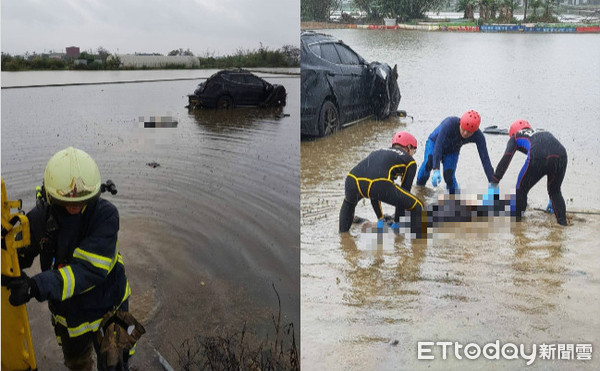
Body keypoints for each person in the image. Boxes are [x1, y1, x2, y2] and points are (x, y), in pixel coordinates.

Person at [6, 147, 136, 371]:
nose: (74, 203)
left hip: (110, 306)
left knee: (116, 365)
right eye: (66, 197)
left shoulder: (106, 216)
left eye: (81, 197)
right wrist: (10, 264)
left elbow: (87, 271)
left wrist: (36, 286)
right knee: (76, 363)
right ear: (51, 194)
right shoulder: (40, 219)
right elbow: (15, 251)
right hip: (70, 315)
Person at [339, 131, 425, 237]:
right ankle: (417, 250)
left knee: (349, 203)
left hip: (352, 179)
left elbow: (372, 185)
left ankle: (343, 241)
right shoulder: (410, 161)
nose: (413, 154)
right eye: (413, 150)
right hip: (377, 184)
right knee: (417, 206)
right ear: (408, 147)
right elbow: (404, 192)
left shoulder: (378, 151)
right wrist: (397, 223)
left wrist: (380, 218)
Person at [490, 120, 568, 226]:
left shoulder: (516, 136)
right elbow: (550, 147)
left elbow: (507, 157)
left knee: (521, 189)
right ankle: (563, 224)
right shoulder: (542, 131)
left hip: (538, 157)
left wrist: (495, 180)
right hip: (562, 155)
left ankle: (517, 223)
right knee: (555, 191)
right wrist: (552, 199)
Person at [416, 110, 495, 194]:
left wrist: (492, 181)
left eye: (469, 132)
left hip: (452, 150)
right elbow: (438, 145)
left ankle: (455, 200)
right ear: (460, 123)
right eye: (463, 129)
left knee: (449, 176)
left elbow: (485, 158)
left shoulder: (479, 136)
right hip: (434, 143)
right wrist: (436, 168)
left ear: (475, 131)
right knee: (429, 162)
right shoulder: (449, 124)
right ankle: (419, 190)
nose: (465, 133)